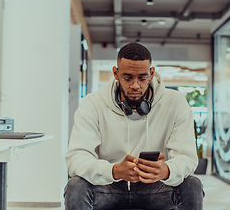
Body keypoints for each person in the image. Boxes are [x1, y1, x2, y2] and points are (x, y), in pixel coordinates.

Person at [64, 42, 204, 210]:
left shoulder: (175, 102)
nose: (135, 85)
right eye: (128, 78)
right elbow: (76, 158)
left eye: (142, 78)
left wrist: (166, 170)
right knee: (75, 185)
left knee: (192, 184)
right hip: (109, 187)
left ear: (151, 73)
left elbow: (187, 158)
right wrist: (114, 171)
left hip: (156, 187)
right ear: (116, 73)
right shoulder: (93, 103)